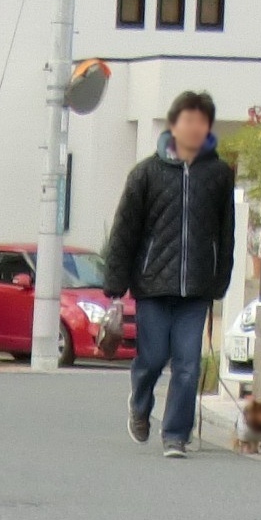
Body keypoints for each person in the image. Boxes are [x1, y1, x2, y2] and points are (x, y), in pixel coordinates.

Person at [101, 91, 235, 458]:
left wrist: (220, 277)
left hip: (196, 289)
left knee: (188, 365)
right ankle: (140, 405)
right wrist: (116, 284)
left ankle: (175, 434)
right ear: (173, 125)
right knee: (152, 359)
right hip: (153, 286)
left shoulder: (219, 175)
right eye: (187, 120)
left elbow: (226, 233)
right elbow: (125, 229)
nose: (194, 127)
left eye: (201, 121)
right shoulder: (146, 173)